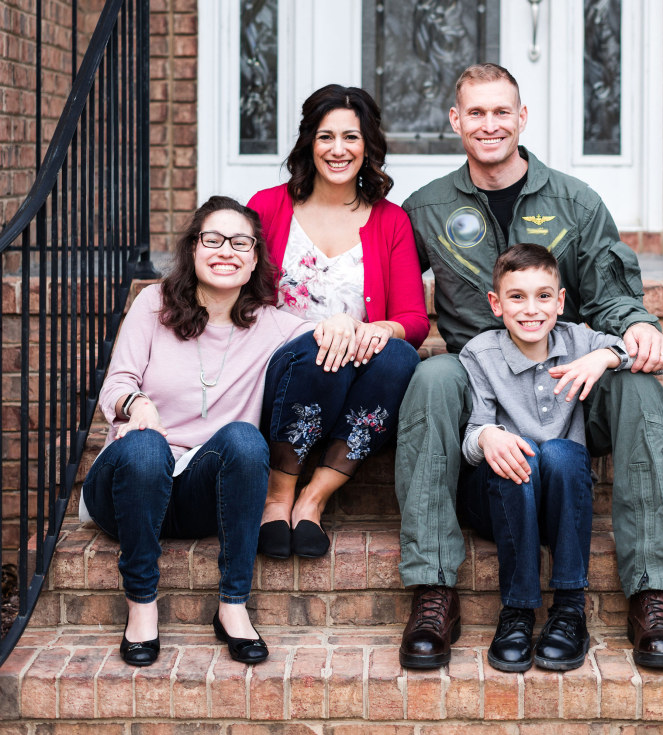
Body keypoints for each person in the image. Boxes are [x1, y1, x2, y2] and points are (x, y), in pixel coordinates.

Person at [395, 62, 663, 671]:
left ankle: (653, 590)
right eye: (476, 112)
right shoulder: (426, 208)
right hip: (482, 386)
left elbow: (611, 294)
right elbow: (388, 288)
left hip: (567, 382)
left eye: (502, 111)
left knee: (641, 393)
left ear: (522, 118)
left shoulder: (575, 202)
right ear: (455, 121)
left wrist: (632, 329)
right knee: (430, 375)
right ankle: (433, 588)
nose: (490, 123)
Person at [80, 196, 316, 667]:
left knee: (246, 440)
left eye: (240, 242)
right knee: (148, 447)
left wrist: (360, 326)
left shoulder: (274, 326)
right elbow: (118, 384)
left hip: (201, 497)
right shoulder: (154, 304)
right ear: (193, 250)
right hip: (126, 485)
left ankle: (232, 608)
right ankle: (142, 608)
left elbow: (334, 335)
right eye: (212, 239)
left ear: (253, 261)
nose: (225, 250)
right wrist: (137, 403)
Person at [460, 243, 663, 672]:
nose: (530, 309)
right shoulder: (480, 353)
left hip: (564, 500)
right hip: (506, 500)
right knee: (514, 450)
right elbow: (470, 437)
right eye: (516, 297)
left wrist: (606, 355)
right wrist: (487, 437)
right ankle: (518, 611)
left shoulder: (579, 339)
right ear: (496, 304)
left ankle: (569, 610)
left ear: (560, 301)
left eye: (543, 296)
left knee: (560, 453)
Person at [247, 84, 427, 560]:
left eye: (351, 136)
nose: (338, 149)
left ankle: (313, 498)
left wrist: (377, 328)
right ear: (310, 141)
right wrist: (318, 330)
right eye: (326, 136)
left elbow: (412, 317)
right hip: (282, 369)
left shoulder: (390, 221)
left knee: (398, 359)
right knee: (317, 352)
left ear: (368, 145)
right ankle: (277, 494)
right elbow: (238, 299)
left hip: (356, 371)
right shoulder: (268, 207)